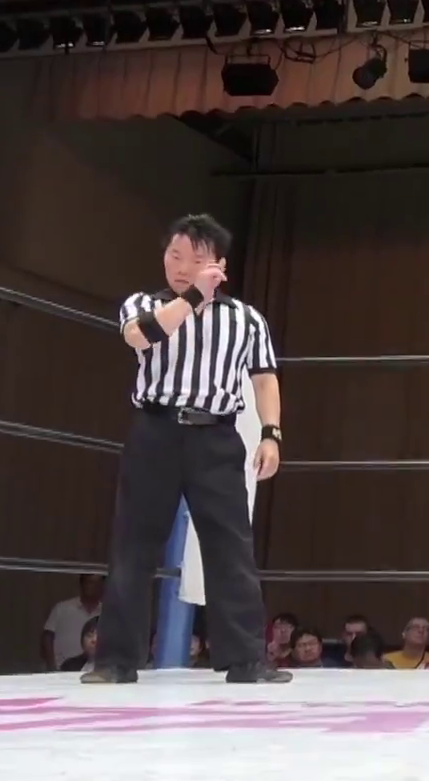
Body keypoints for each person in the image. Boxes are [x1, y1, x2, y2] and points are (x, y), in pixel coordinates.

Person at [85, 214, 286, 685]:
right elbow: (142, 335)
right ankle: (116, 660)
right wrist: (194, 296)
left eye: (195, 259)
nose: (181, 267)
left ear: (219, 264)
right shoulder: (144, 304)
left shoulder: (245, 319)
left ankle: (246, 659)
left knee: (230, 546)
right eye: (174, 256)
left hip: (216, 435)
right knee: (134, 543)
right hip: (156, 430)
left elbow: (264, 377)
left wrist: (271, 433)